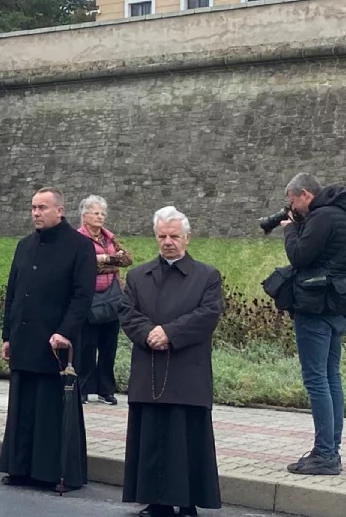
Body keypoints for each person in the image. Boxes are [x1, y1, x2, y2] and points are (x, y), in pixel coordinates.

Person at [118, 206, 223, 517]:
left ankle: (188, 501)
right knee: (152, 437)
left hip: (187, 371)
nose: (168, 242)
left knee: (186, 439)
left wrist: (170, 333)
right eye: (162, 236)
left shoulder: (206, 275)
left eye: (174, 236)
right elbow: (126, 312)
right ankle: (156, 501)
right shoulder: (138, 275)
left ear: (187, 238)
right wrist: (149, 332)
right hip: (149, 368)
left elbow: (207, 315)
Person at [0, 187, 95, 491]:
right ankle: (20, 467)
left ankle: (52, 472)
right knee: (22, 406)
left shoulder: (80, 247)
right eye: (33, 208)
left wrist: (66, 332)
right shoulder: (24, 245)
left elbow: (82, 296)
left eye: (42, 207)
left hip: (56, 342)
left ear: (60, 211)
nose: (36, 213)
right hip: (24, 339)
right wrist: (7, 335)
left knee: (52, 409)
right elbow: (12, 293)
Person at [280, 173, 346, 476]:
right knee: (331, 377)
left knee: (316, 380)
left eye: (293, 201)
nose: (292, 207)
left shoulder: (322, 216)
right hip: (339, 303)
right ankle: (330, 449)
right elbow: (331, 254)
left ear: (305, 194)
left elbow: (300, 256)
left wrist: (289, 230)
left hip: (314, 306)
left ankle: (325, 454)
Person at [76, 196, 133, 405]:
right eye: (96, 213)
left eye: (103, 213)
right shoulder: (77, 239)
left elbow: (126, 259)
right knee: (86, 347)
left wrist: (104, 260)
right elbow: (83, 263)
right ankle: (82, 389)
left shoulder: (109, 238)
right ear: (84, 215)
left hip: (112, 299)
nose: (101, 217)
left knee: (109, 346)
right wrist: (110, 260)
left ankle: (106, 390)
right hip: (89, 300)